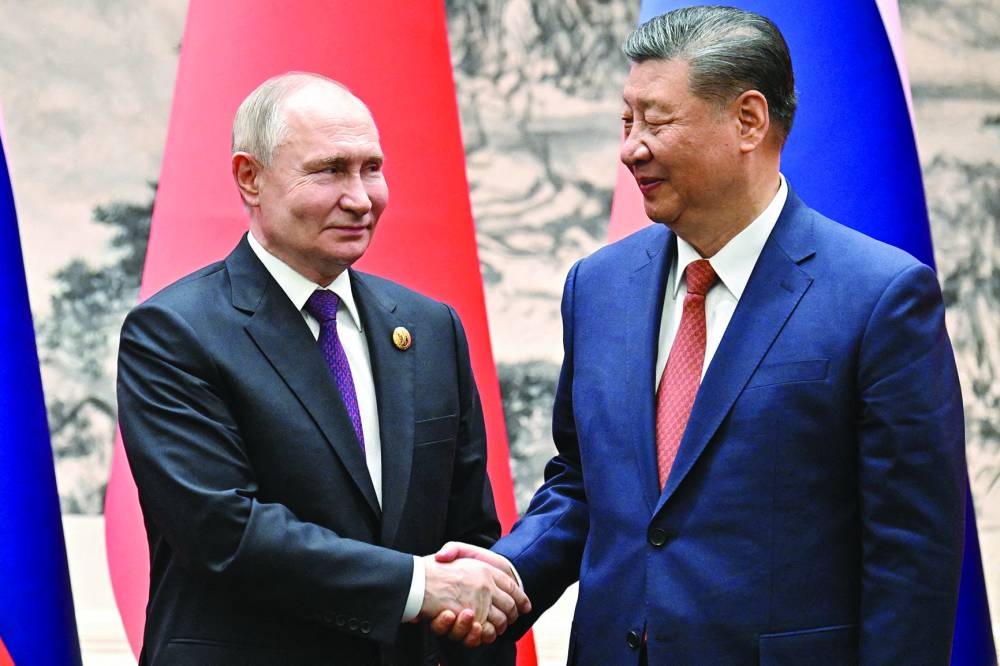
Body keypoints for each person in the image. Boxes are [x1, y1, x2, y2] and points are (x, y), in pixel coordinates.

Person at [436, 6, 966, 664]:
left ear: (748, 120)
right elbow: (582, 482)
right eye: (625, 120)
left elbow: (910, 557)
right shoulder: (599, 288)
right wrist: (506, 575)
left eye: (656, 121)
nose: (630, 147)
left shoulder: (878, 298)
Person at [116, 72, 527, 665]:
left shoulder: (431, 327)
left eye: (372, 168)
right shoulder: (175, 332)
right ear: (249, 178)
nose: (361, 197)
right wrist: (415, 587)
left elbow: (470, 538)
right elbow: (224, 530)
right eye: (330, 170)